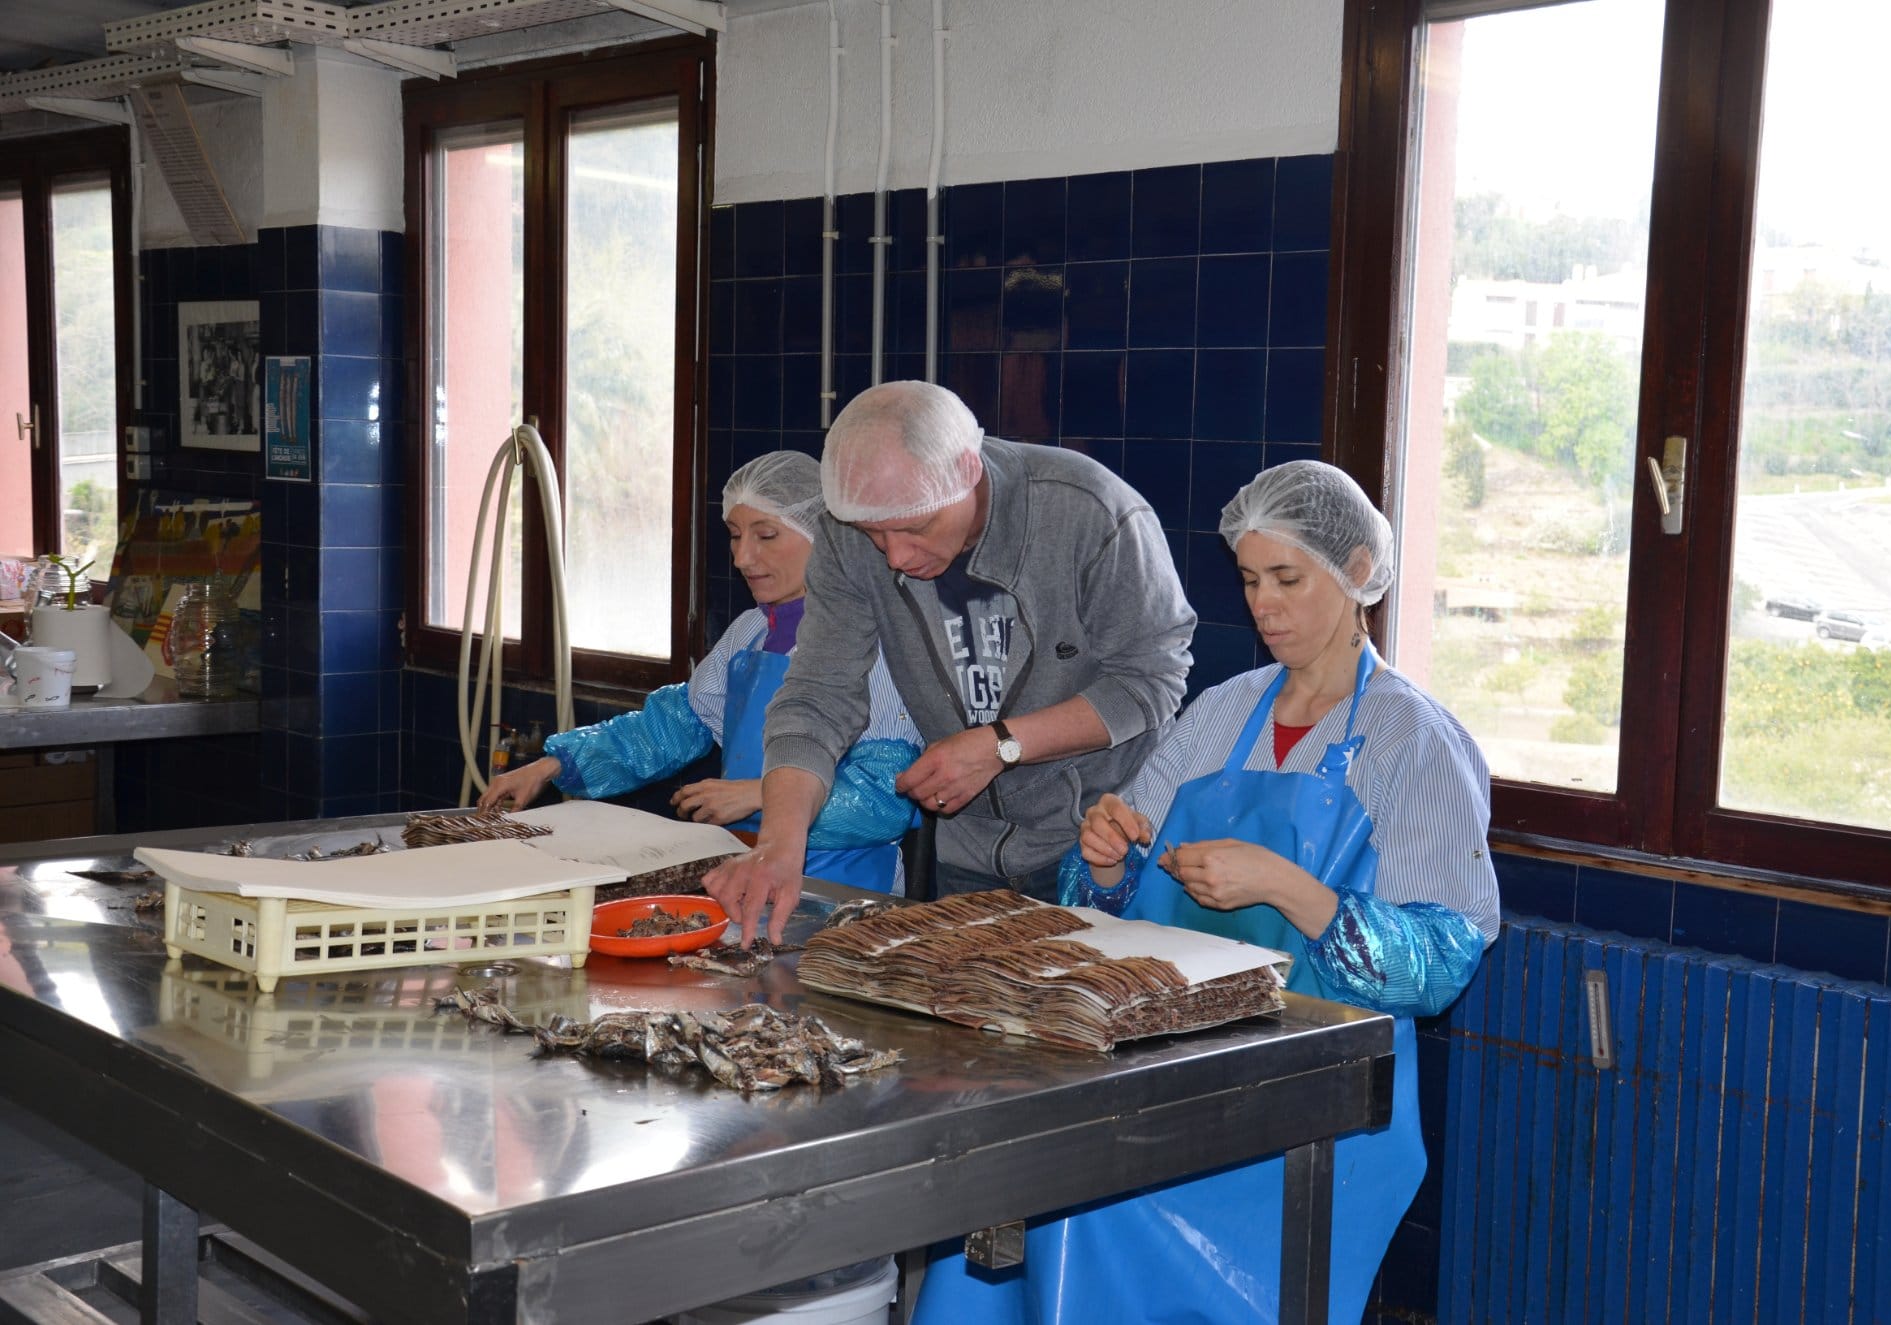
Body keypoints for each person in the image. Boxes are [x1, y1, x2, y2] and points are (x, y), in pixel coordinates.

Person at [913, 459, 1502, 1325]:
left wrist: (1294, 890)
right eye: (1252, 579)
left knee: (1087, 1209)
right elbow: (1107, 899)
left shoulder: (1416, 740)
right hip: (1179, 1065)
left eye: (1289, 579)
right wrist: (1107, 861)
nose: (1265, 604)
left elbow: (1439, 965)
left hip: (1315, 1107)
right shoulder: (1224, 714)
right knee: (1016, 1192)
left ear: (1360, 574)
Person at [704, 380, 1195, 939]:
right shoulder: (846, 537)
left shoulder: (1088, 513)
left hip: (1101, 851)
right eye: (874, 534)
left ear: (968, 468)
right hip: (969, 854)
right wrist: (779, 846)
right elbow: (817, 696)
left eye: (915, 527)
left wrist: (1001, 745)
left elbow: (1151, 680)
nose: (896, 556)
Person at [480, 451, 922, 893]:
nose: (743, 558)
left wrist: (763, 795)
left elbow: (888, 795)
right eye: (734, 536)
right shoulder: (749, 632)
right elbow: (670, 726)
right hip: (747, 871)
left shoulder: (871, 643)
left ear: (826, 539)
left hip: (843, 890)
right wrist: (553, 764)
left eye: (766, 535)